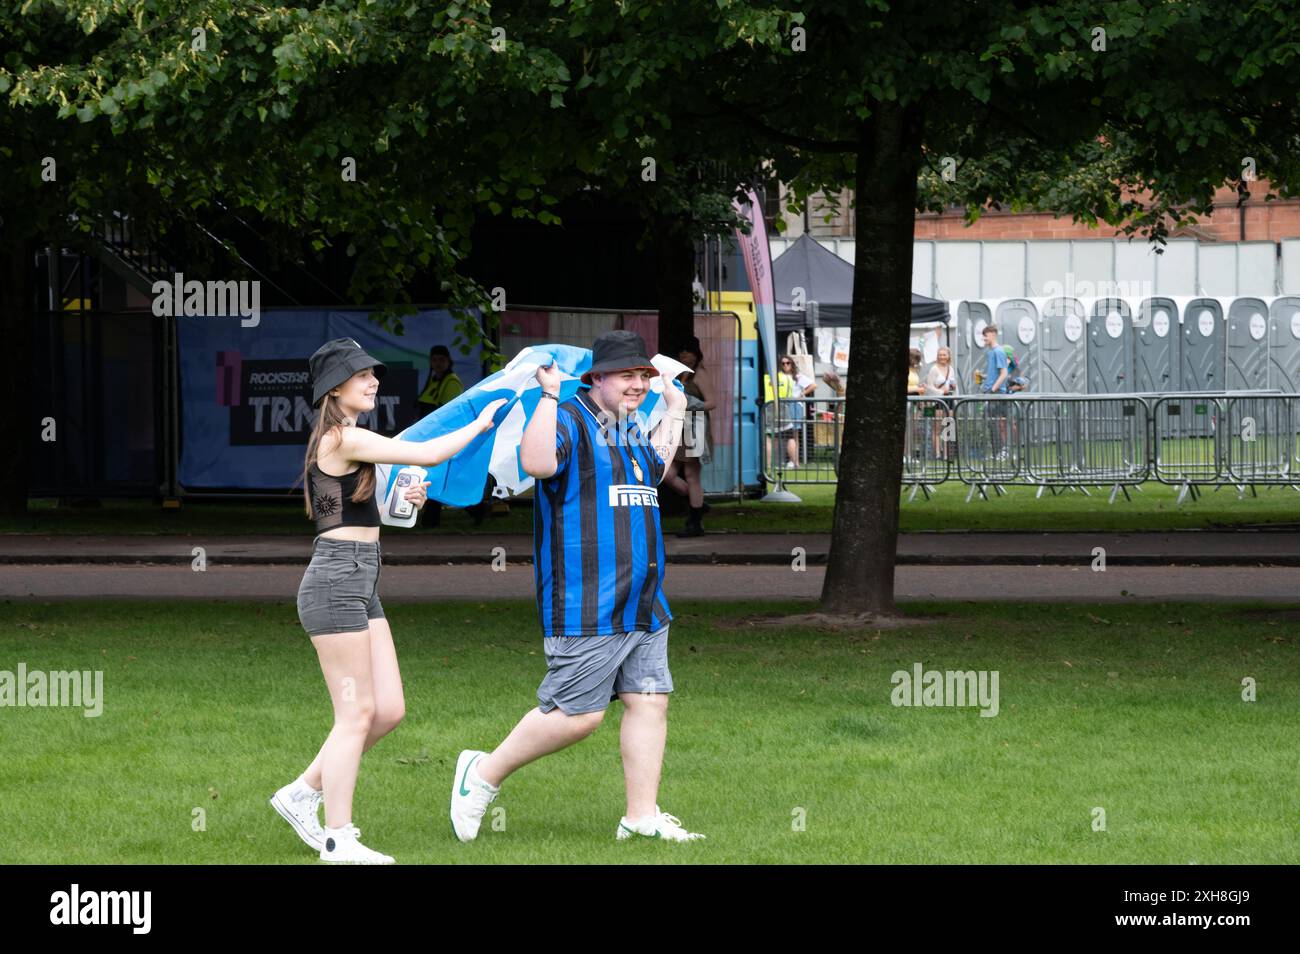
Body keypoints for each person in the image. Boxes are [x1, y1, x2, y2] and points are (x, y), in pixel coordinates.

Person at [449, 330, 705, 843]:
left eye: (643, 376)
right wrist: (547, 394)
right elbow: (538, 464)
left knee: (649, 701)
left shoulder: (628, 425)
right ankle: (481, 774)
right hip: (587, 601)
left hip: (644, 600)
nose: (638, 385)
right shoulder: (567, 416)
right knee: (577, 716)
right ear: (596, 379)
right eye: (628, 376)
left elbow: (653, 468)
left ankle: (641, 817)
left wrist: (673, 409)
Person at [271, 338, 504, 864]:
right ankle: (338, 838)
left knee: (389, 710)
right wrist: (483, 418)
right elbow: (426, 451)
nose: (375, 381)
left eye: (374, 374)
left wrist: (407, 501)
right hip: (335, 582)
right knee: (355, 714)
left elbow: (378, 515)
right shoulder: (341, 436)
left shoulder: (346, 444)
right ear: (336, 388)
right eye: (362, 376)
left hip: (361, 578)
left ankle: (300, 793)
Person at [661, 336, 715, 537]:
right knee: (666, 473)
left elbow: (712, 402)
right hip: (676, 427)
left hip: (695, 428)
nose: (685, 355)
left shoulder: (699, 374)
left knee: (692, 475)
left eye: (689, 351)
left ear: (696, 353)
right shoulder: (676, 374)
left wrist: (690, 403)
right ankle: (697, 503)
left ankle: (695, 522)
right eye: (682, 351)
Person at [417, 345, 472, 528]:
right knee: (446, 478)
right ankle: (476, 508)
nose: (438, 363)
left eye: (441, 359)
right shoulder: (434, 380)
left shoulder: (451, 382)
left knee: (436, 476)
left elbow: (448, 415)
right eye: (434, 360)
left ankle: (430, 521)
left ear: (448, 361)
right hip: (434, 437)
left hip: (444, 438)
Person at [764, 355, 814, 471]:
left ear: (792, 364)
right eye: (783, 363)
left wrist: (801, 395)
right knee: (777, 436)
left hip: (793, 406)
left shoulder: (797, 377)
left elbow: (813, 385)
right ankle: (780, 462)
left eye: (788, 363)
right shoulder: (778, 377)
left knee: (793, 434)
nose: (785, 365)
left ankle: (794, 461)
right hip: (780, 406)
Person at [980, 325, 1011, 460]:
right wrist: (984, 377)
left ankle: (1002, 451)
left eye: (986, 335)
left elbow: (1004, 374)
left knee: (995, 423)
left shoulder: (999, 351)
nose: (984, 338)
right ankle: (996, 452)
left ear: (993, 334)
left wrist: (992, 389)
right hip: (991, 390)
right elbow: (996, 373)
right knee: (990, 423)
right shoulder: (990, 352)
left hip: (996, 392)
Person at [924, 346, 958, 458]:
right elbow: (929, 386)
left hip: (949, 400)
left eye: (944, 355)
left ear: (948, 356)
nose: (942, 357)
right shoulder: (934, 369)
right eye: (940, 355)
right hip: (937, 401)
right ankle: (938, 453)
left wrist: (954, 393)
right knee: (937, 428)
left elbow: (953, 385)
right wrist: (941, 392)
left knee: (948, 426)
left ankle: (947, 453)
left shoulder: (951, 369)